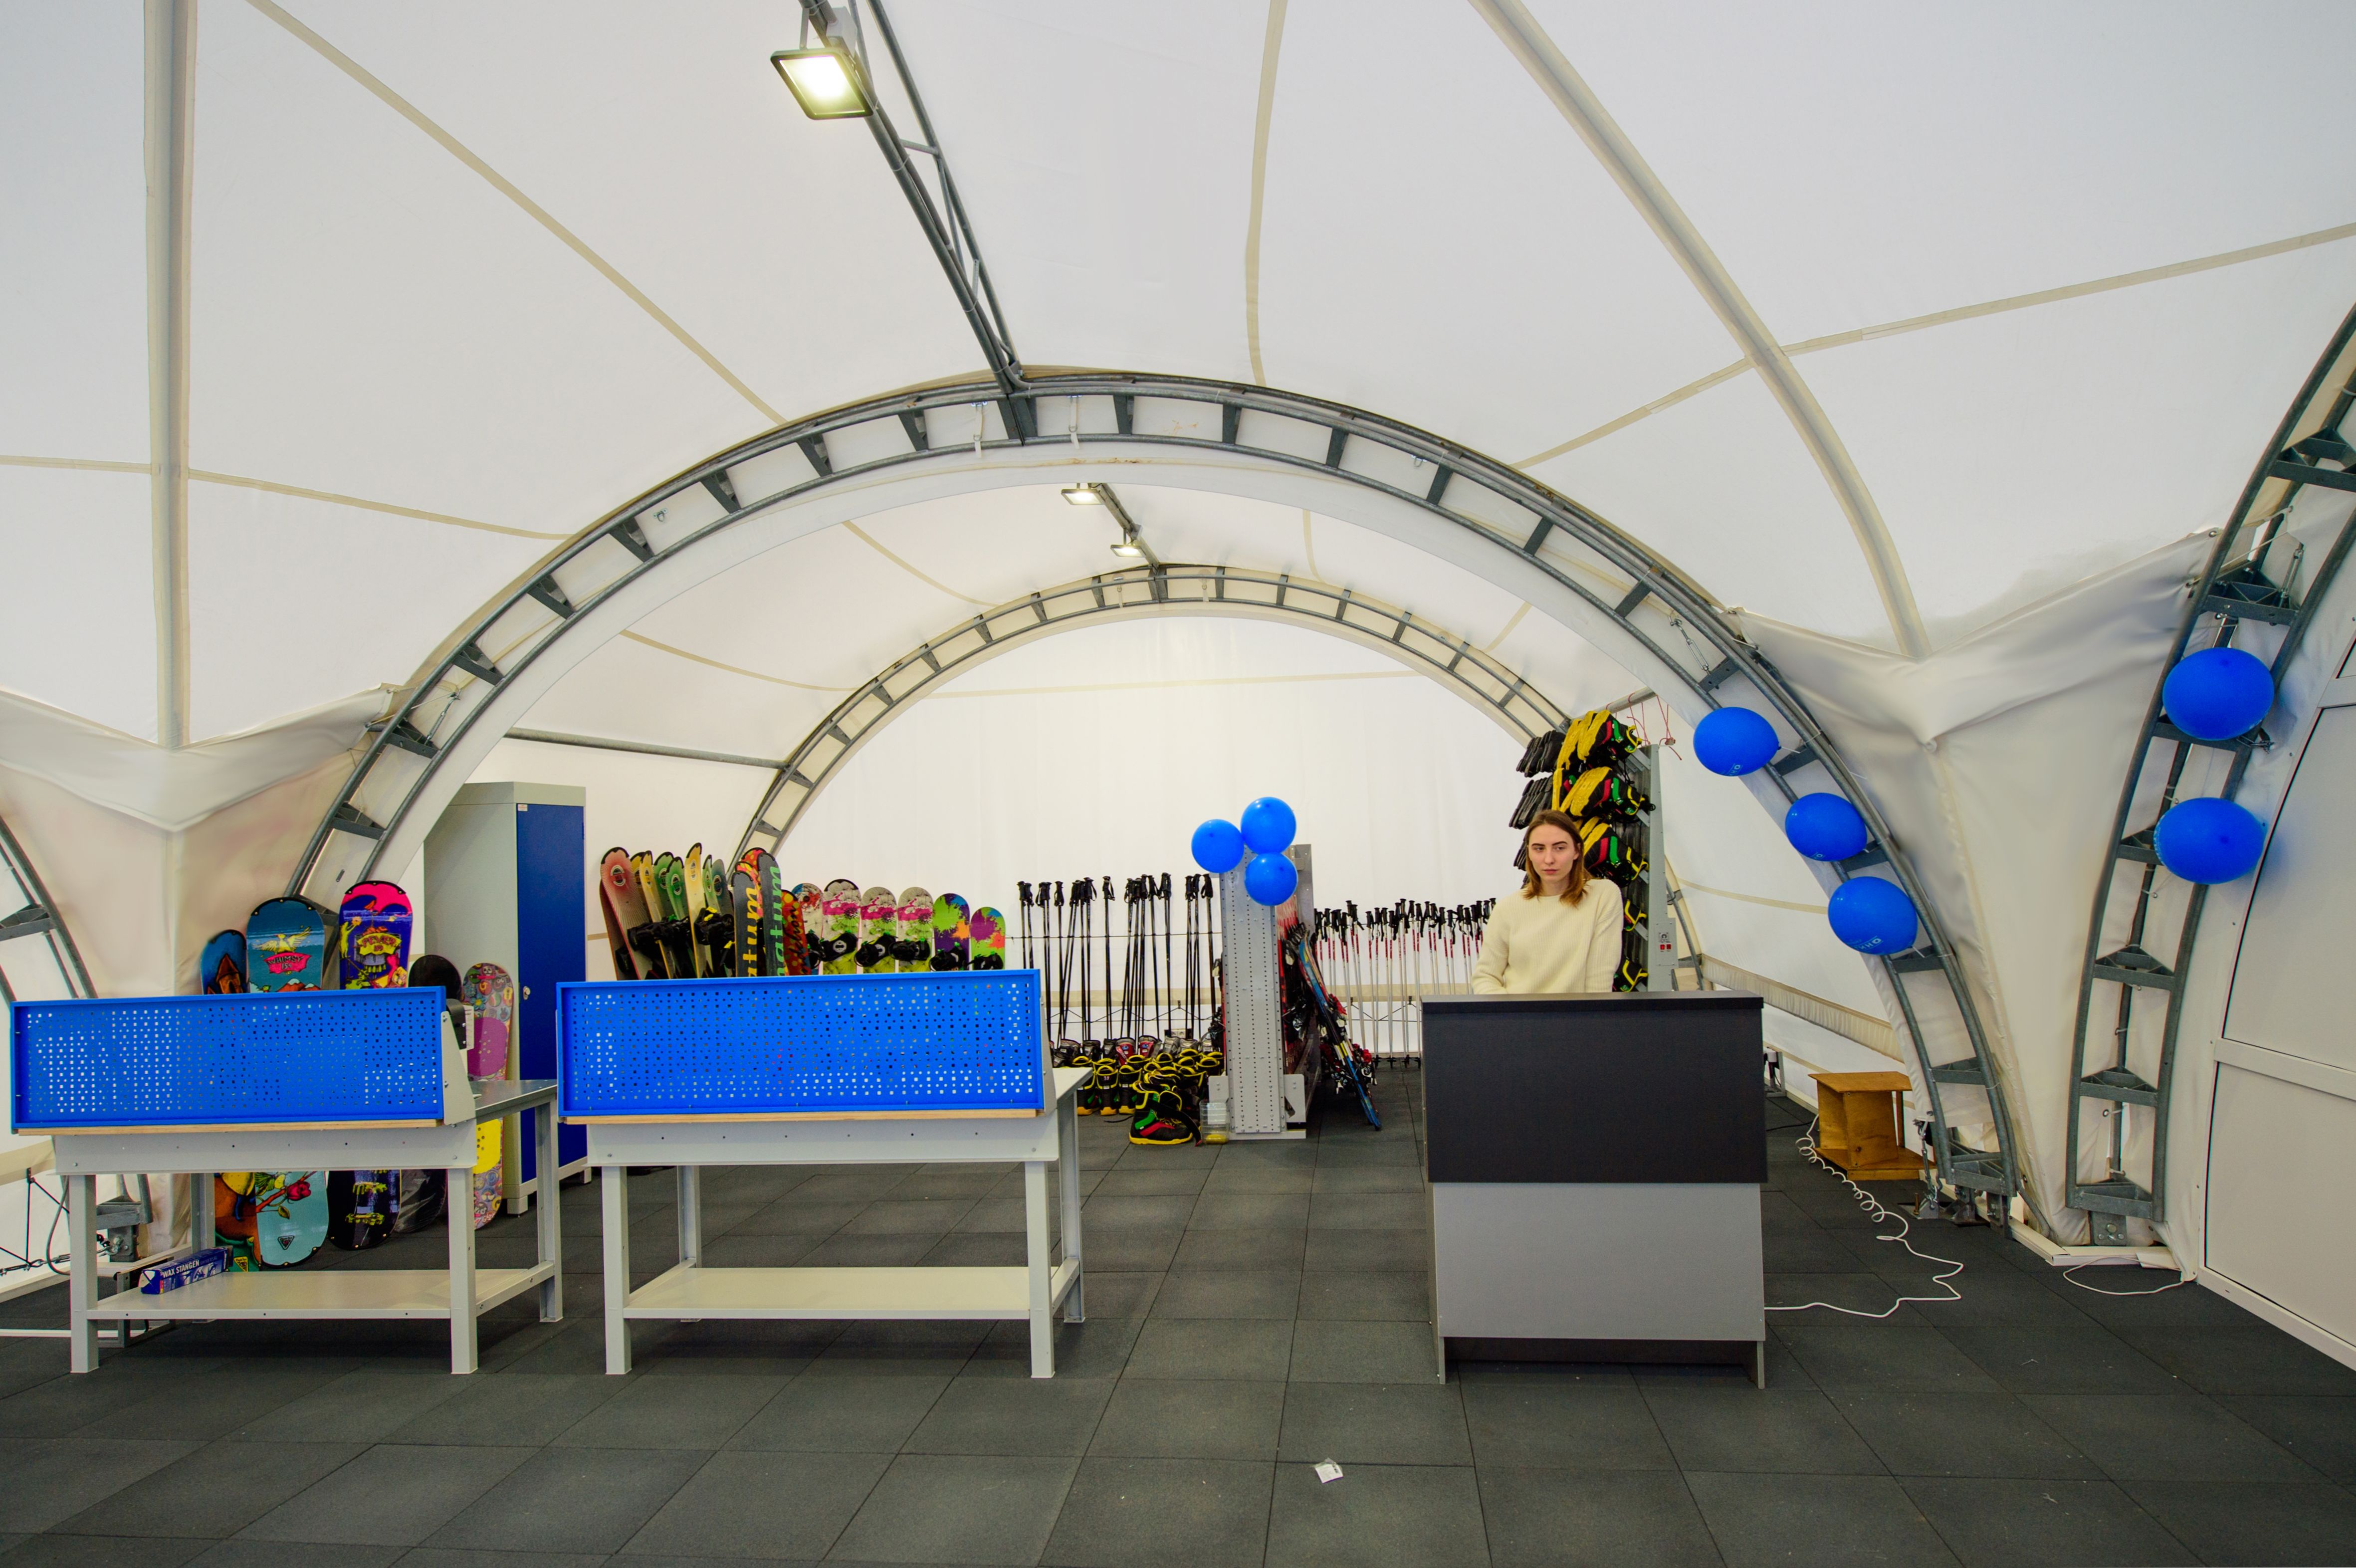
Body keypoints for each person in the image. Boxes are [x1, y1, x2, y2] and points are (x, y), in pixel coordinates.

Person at [1471, 808, 1624, 994]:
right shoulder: (1507, 908)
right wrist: (1509, 1009)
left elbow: (1599, 982)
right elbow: (1485, 977)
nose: (1549, 859)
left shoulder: (1603, 896)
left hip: (1579, 1013)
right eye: (1539, 849)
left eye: (1560, 848)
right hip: (1518, 1012)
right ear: (1529, 852)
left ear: (1577, 851)